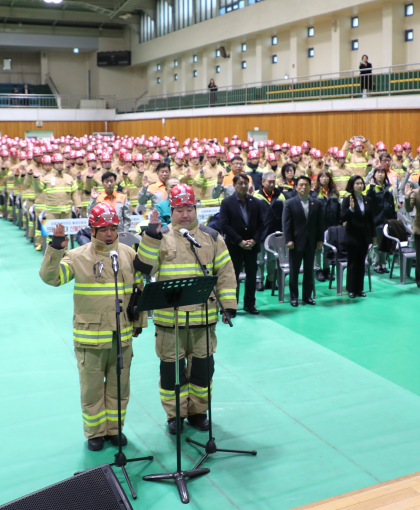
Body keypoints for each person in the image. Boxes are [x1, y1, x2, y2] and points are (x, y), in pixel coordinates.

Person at [39, 203, 147, 451]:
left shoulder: (129, 254)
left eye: (112, 228)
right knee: (92, 390)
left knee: (120, 388)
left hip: (122, 335)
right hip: (90, 337)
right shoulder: (77, 256)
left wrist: (139, 322)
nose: (109, 233)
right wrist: (55, 249)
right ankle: (94, 433)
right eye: (103, 229)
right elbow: (51, 278)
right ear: (92, 230)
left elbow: (138, 292)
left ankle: (114, 429)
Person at [133, 185, 237, 434]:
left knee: (202, 370)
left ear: (195, 209)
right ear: (172, 211)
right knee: (172, 372)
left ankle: (198, 412)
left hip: (204, 319)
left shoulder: (212, 237)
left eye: (189, 209)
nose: (186, 215)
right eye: (180, 210)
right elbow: (143, 268)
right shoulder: (161, 236)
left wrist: (229, 305)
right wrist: (149, 237)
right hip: (171, 323)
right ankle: (175, 416)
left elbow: (225, 272)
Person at [218, 173, 263, 314]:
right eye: (240, 183)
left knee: (251, 277)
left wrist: (254, 240)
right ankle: (231, 307)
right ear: (234, 185)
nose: (243, 186)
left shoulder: (255, 202)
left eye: (245, 183)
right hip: (234, 246)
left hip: (252, 246)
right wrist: (239, 241)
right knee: (233, 278)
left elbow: (261, 224)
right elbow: (224, 225)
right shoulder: (226, 203)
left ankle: (250, 304)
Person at [282, 176, 324, 307]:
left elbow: (320, 223)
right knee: (294, 271)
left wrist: (320, 239)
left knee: (309, 270)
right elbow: (286, 224)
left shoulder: (316, 203)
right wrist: (288, 240)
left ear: (310, 187)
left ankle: (307, 296)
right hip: (295, 242)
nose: (303, 187)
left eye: (306, 185)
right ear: (296, 187)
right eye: (300, 185)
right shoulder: (289, 203)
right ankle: (294, 297)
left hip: (311, 241)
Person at [340, 175, 376, 298]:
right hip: (352, 236)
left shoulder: (367, 200)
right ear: (352, 186)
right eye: (357, 183)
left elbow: (371, 219)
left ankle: (359, 289)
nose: (360, 185)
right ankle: (351, 289)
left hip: (364, 237)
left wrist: (373, 235)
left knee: (361, 264)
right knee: (352, 264)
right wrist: (350, 209)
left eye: (361, 183)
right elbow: (342, 218)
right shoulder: (347, 200)